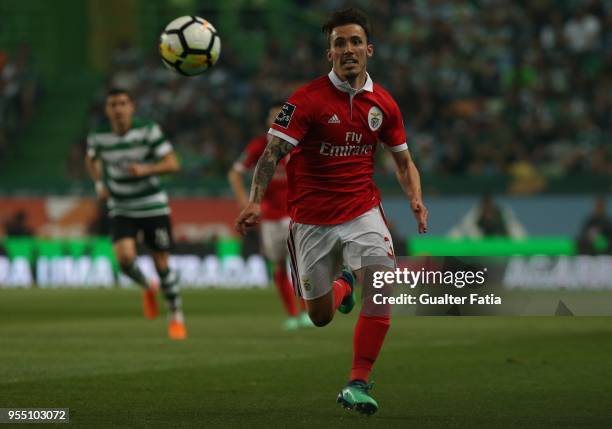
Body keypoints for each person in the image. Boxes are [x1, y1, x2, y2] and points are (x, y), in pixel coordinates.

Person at [235, 8, 428, 415]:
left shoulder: (384, 104)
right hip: (310, 220)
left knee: (381, 286)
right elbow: (272, 153)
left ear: (369, 50)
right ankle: (342, 285)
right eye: (339, 43)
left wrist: (415, 198)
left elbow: (403, 160)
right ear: (330, 54)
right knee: (320, 316)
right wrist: (254, 200)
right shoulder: (304, 100)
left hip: (362, 210)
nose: (348, 49)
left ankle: (357, 382)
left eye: (355, 42)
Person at [85, 88, 187, 340]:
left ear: (131, 107)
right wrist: (99, 184)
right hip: (121, 205)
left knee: (161, 263)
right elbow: (91, 160)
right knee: (124, 259)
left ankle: (175, 314)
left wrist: (145, 170)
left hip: (152, 204)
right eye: (113, 104)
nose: (118, 109)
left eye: (122, 103)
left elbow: (173, 164)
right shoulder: (98, 136)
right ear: (107, 110)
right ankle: (147, 286)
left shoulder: (148, 130)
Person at [228, 102, 312, 330]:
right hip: (270, 218)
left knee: (300, 264)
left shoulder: (299, 145)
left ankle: (306, 312)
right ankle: (292, 315)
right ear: (267, 122)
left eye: (281, 117)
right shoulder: (258, 147)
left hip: (298, 215)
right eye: (272, 116)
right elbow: (235, 173)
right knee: (277, 265)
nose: (276, 121)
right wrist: (245, 202)